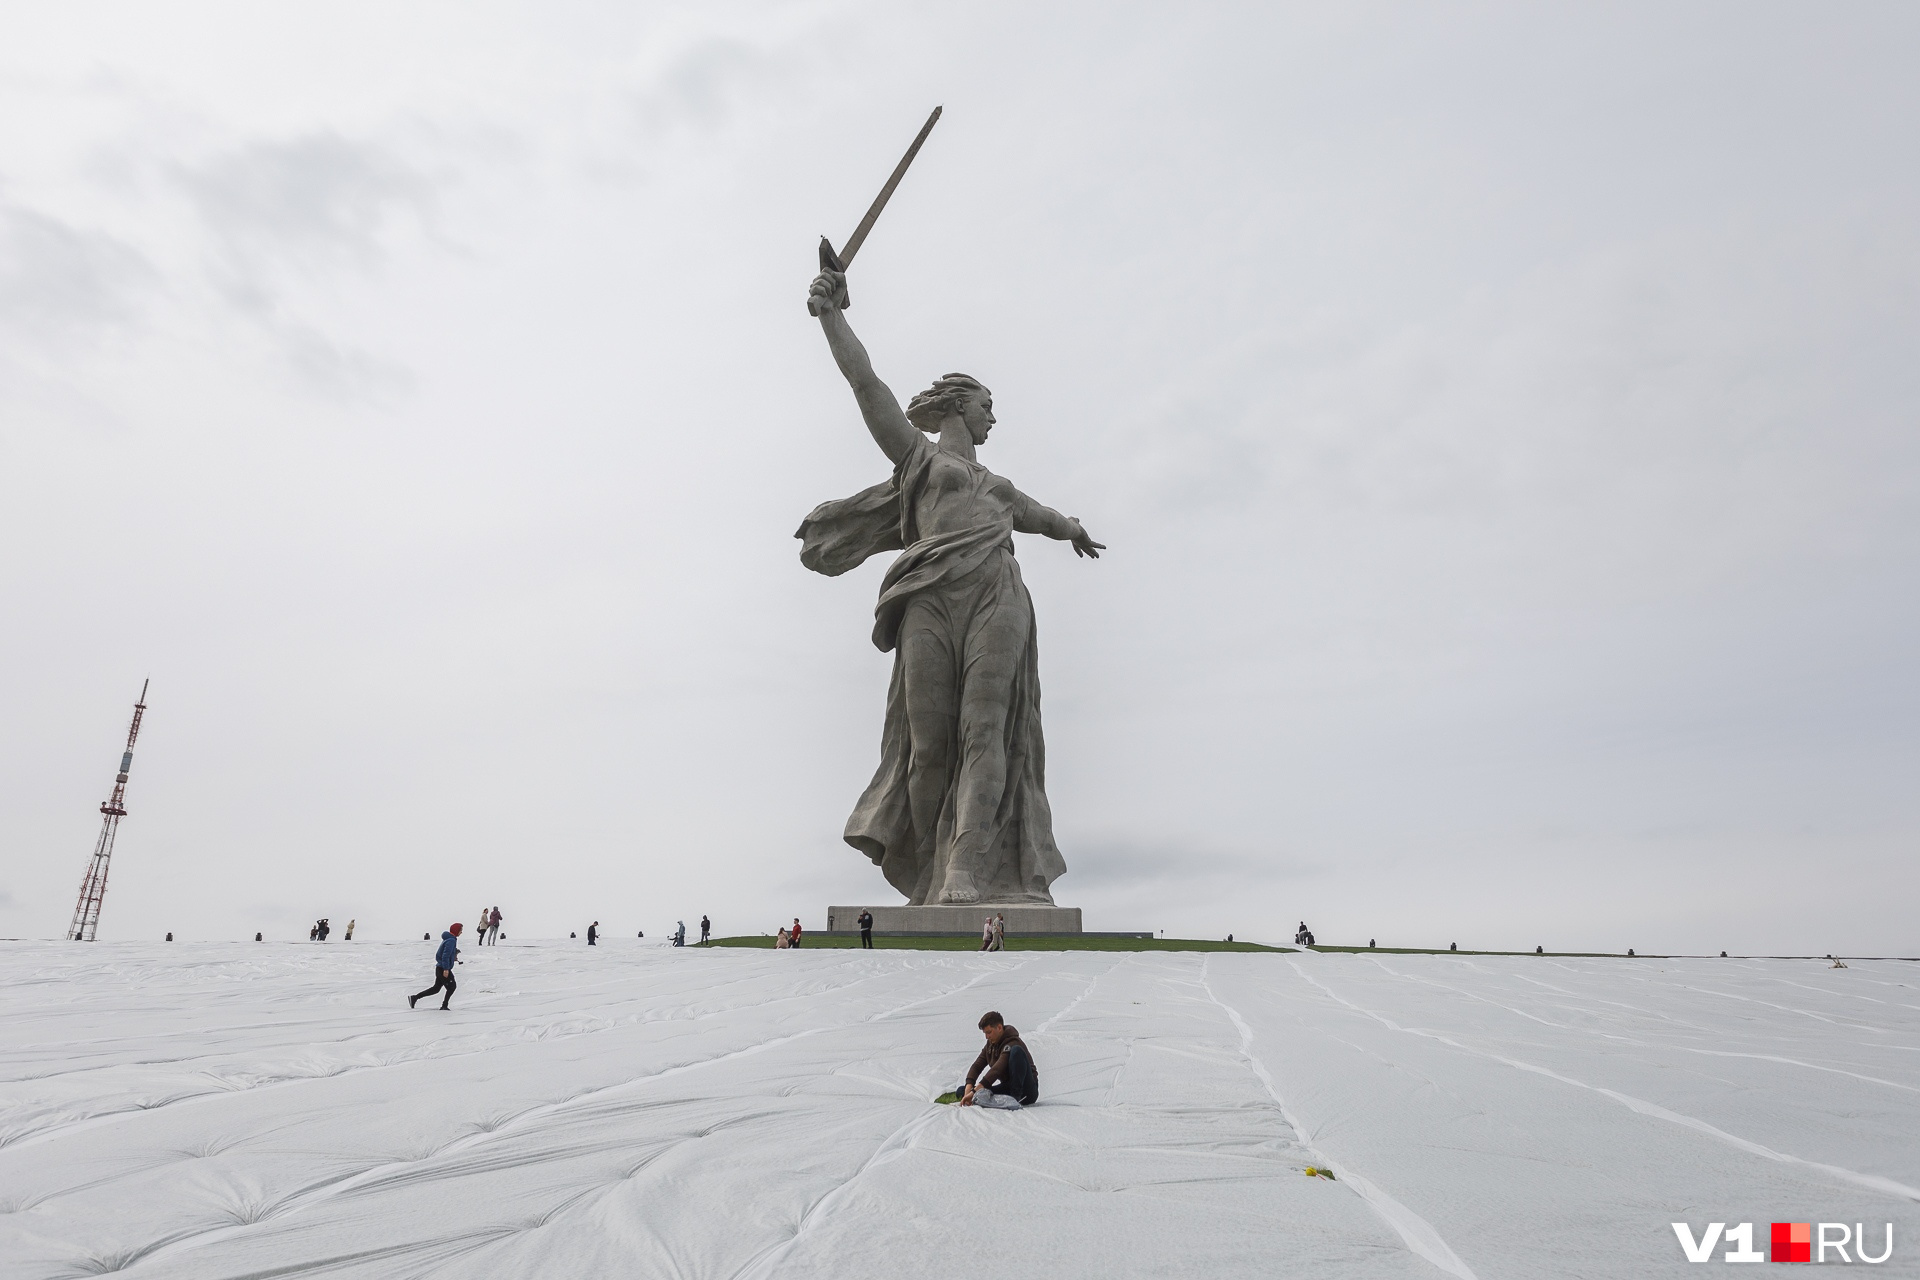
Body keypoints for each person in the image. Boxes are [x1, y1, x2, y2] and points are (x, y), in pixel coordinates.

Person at [800, 269, 1103, 909]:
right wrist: (833, 315)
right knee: (929, 740)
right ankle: (927, 872)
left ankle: (965, 867)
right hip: (928, 598)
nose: (995, 417)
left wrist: (1072, 527)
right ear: (960, 406)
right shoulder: (919, 458)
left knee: (986, 731)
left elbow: (1043, 516)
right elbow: (866, 385)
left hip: (997, 593)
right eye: (988, 405)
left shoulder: (998, 487)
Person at [959, 1011, 1038, 1109]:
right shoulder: (990, 1045)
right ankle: (999, 1099)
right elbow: (977, 1066)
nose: (987, 1037)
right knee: (961, 1091)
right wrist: (969, 1087)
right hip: (1007, 1087)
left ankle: (1015, 1099)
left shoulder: (1013, 1042)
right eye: (985, 1033)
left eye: (989, 1032)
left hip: (1026, 1091)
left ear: (999, 1028)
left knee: (1017, 1051)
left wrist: (974, 1091)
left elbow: (997, 1069)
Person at [410, 923, 463, 1010]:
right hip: (443, 968)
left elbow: (444, 954)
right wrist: (446, 969)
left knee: (436, 989)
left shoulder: (449, 939)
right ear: (456, 930)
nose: (461, 932)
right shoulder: (451, 940)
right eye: (460, 930)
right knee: (452, 987)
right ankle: (444, 1006)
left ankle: (415, 998)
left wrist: (452, 958)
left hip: (440, 967)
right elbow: (445, 955)